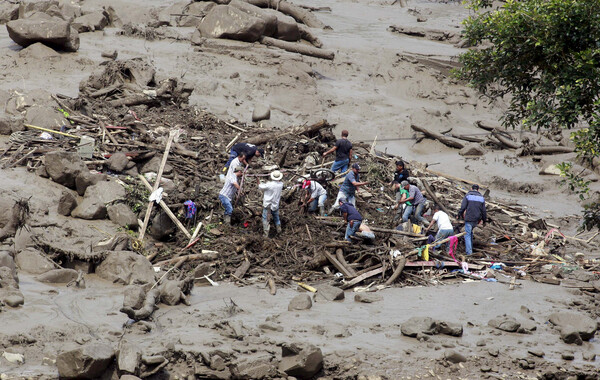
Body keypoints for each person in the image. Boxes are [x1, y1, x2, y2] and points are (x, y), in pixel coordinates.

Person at [458, 184, 487, 255]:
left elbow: (463, 207)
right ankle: (470, 248)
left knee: (467, 234)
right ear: (478, 190)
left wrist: (459, 215)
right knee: (470, 232)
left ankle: (469, 253)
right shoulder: (481, 198)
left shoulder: (468, 195)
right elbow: (484, 211)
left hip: (469, 218)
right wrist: (484, 220)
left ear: (471, 188)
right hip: (477, 219)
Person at [258, 170, 284, 237]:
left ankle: (266, 234)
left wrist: (258, 181)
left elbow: (260, 187)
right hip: (275, 205)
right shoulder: (281, 184)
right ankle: (279, 231)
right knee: (276, 218)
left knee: (265, 219)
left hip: (268, 205)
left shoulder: (269, 184)